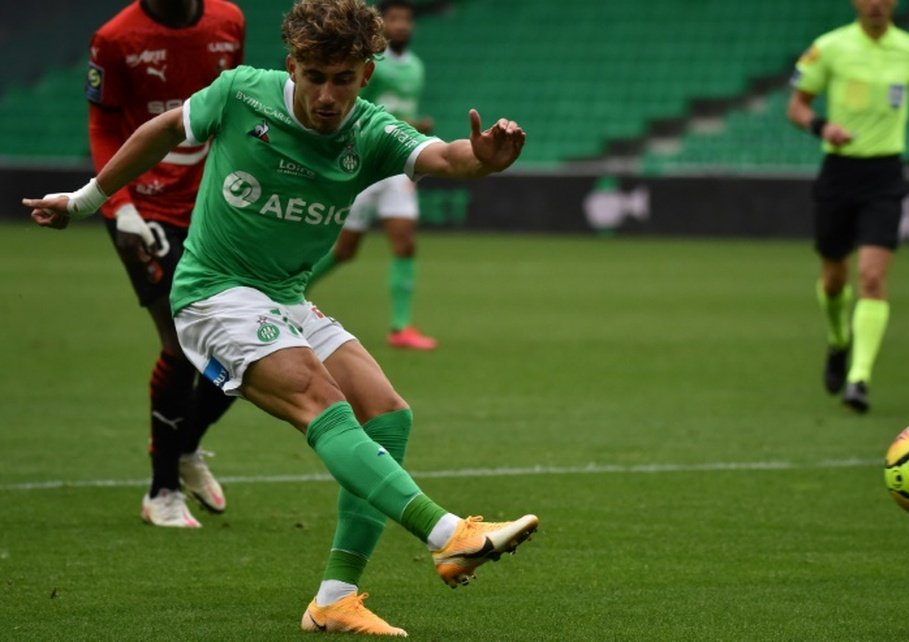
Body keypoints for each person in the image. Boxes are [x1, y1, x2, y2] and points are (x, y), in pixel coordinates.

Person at [25, 0, 538, 636]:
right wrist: (85, 200)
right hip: (213, 292)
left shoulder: (371, 133)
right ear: (291, 65)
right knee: (322, 401)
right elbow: (159, 131)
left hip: (284, 296)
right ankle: (450, 533)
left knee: (388, 414)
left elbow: (446, 157)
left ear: (365, 77)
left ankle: (334, 599)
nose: (327, 95)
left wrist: (484, 158)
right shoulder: (242, 94)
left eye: (343, 79)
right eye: (314, 76)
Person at [87, 0, 245, 527]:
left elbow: (230, 112)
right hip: (145, 212)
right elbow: (104, 128)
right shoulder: (115, 38)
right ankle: (162, 491)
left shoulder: (229, 21)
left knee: (249, 348)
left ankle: (184, 444)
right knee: (181, 344)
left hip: (215, 206)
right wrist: (119, 206)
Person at [787, 0, 909, 413]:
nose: (876, 3)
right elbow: (796, 106)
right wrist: (822, 126)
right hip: (839, 172)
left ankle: (859, 378)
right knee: (835, 279)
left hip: (885, 175)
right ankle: (839, 340)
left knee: (872, 277)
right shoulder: (830, 47)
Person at [308, 0, 438, 351]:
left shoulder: (416, 67)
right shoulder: (370, 67)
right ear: (381, 24)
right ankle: (291, 293)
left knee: (405, 243)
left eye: (406, 19)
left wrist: (413, 127)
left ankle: (400, 327)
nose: (401, 25)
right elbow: (357, 111)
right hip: (363, 161)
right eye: (393, 19)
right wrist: (415, 126)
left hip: (395, 165)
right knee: (345, 250)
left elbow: (401, 112)